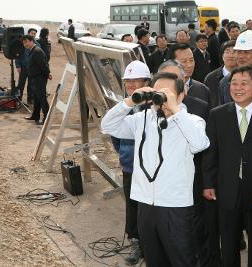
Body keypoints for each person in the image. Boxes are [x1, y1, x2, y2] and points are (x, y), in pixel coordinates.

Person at [101, 72, 209, 267]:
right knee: (154, 260)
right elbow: (107, 125)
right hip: (144, 204)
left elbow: (200, 143)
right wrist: (129, 101)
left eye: (166, 93)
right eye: (157, 93)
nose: (161, 98)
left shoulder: (192, 121)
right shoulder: (142, 119)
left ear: (181, 95)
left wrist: (175, 110)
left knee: (183, 260)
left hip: (175, 205)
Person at [202, 66, 252, 267]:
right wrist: (208, 183)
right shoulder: (217, 114)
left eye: (244, 83)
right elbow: (210, 153)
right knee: (229, 241)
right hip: (226, 189)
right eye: (234, 83)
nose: (238, 88)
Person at [158, 60, 211, 267]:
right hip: (159, 189)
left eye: (175, 81)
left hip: (192, 182)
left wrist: (208, 182)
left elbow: (207, 148)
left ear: (183, 87)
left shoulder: (200, 107)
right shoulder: (148, 110)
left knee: (194, 234)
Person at [111, 61, 151, 265]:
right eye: (129, 82)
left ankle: (151, 245)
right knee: (132, 206)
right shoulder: (123, 107)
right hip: (131, 166)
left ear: (147, 81)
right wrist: (126, 154)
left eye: (136, 81)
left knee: (150, 208)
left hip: (153, 169)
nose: (133, 85)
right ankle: (135, 242)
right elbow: (114, 136)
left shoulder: (156, 104)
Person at [22, 35, 52, 125]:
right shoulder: (32, 50)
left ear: (32, 41)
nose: (25, 44)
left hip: (40, 78)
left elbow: (44, 65)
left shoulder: (37, 51)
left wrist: (48, 73)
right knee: (36, 98)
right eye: (23, 43)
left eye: (26, 42)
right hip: (34, 78)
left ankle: (46, 118)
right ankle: (35, 115)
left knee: (42, 98)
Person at [204, 40, 237, 109]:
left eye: (234, 52)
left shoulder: (246, 76)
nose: (231, 55)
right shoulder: (210, 78)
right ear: (222, 56)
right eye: (227, 51)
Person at [16, 28, 40, 103]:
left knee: (31, 85)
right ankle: (18, 98)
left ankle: (30, 99)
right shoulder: (22, 44)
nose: (33, 35)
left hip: (32, 69)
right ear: (28, 33)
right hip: (23, 68)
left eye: (34, 34)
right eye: (32, 33)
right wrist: (18, 66)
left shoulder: (37, 44)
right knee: (21, 84)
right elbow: (18, 55)